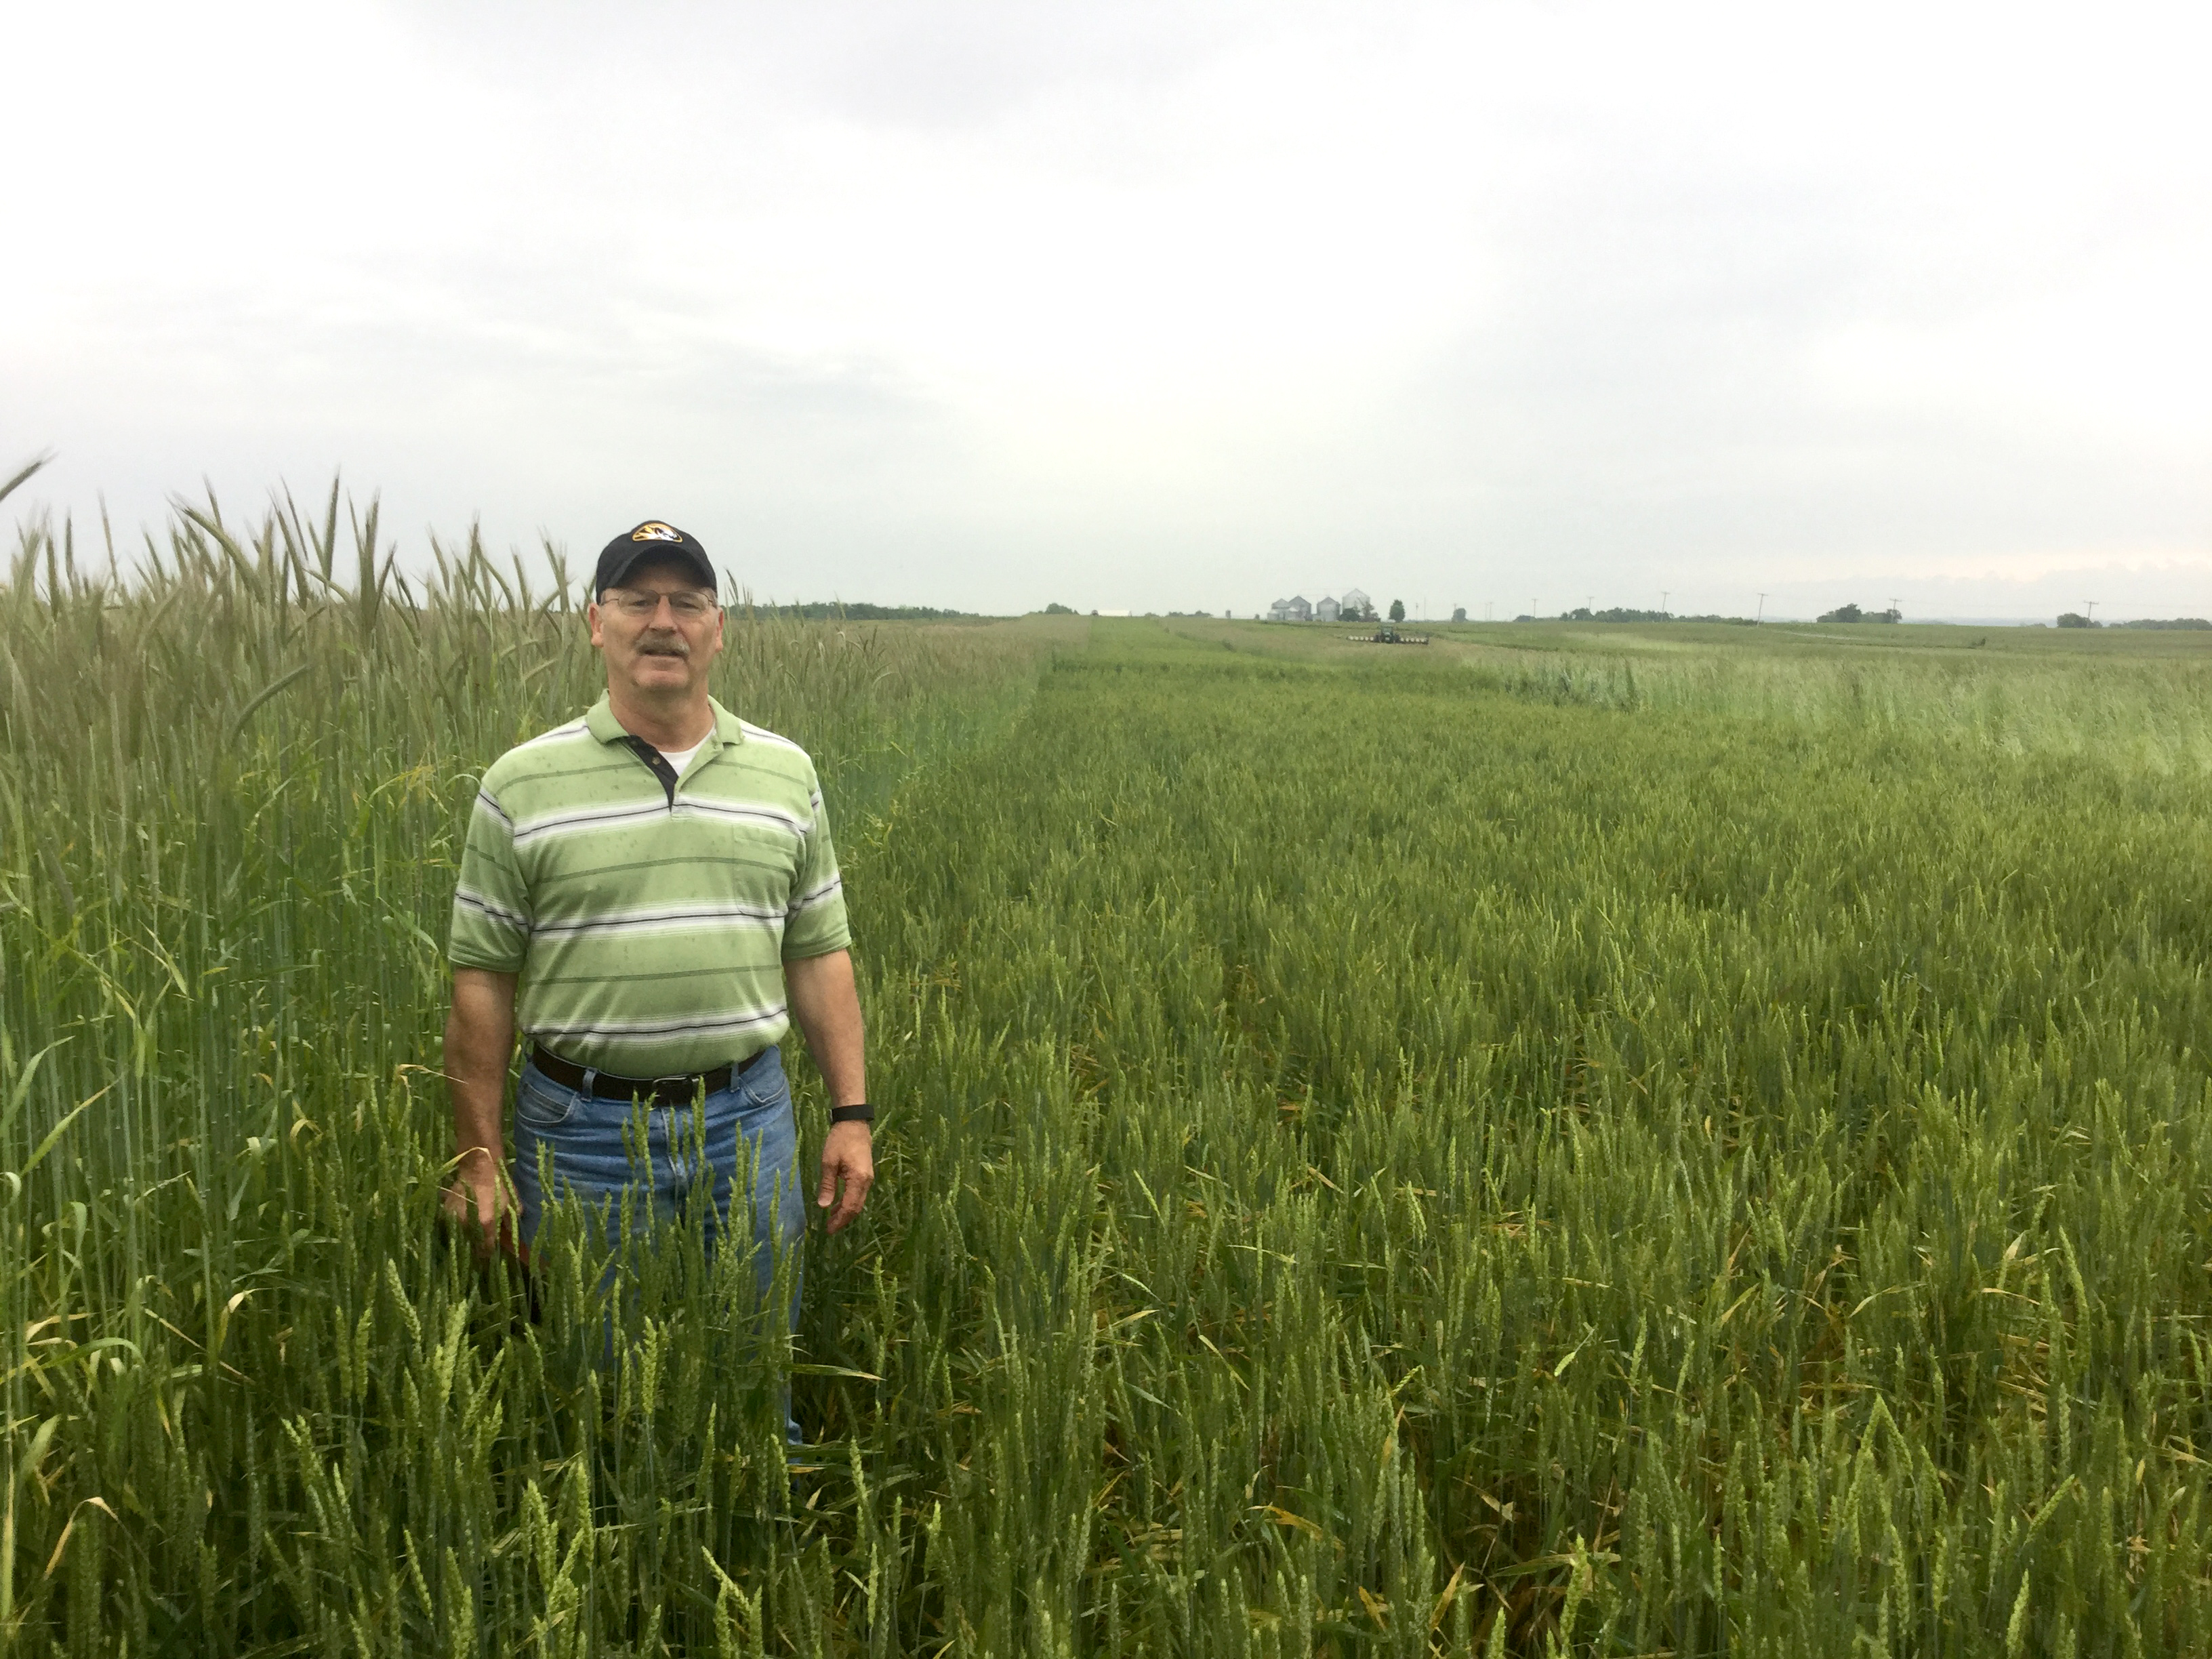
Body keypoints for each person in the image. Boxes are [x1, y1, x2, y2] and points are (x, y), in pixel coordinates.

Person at [440, 519, 874, 1370]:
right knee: (600, 1395)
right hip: (579, 1132)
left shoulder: (788, 773)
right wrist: (480, 1160)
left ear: (719, 626)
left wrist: (852, 1114)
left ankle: (752, 1504)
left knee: (754, 1377)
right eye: (638, 600)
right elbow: (481, 984)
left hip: (748, 1122)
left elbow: (818, 952)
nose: (663, 621)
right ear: (596, 622)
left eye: (687, 601)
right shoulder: (519, 782)